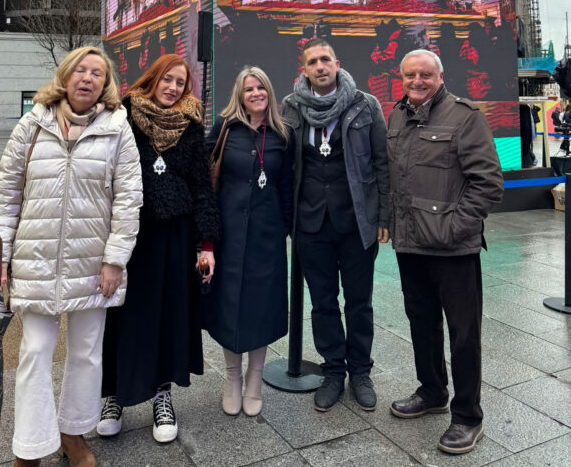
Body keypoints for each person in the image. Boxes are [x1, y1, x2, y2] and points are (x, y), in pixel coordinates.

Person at [0, 46, 142, 467]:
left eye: (98, 73)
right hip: (36, 257)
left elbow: (128, 201)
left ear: (106, 84)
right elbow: (6, 194)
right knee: (35, 351)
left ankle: (74, 435)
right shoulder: (31, 124)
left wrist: (115, 260)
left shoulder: (117, 128)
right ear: (66, 76)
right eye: (81, 71)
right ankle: (31, 447)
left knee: (87, 351)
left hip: (93, 262)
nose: (88, 78)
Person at [97, 55, 220, 444]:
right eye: (167, 79)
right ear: (152, 79)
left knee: (168, 313)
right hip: (131, 234)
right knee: (121, 314)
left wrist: (206, 244)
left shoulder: (191, 125)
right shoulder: (124, 117)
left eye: (180, 83)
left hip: (174, 236)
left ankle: (162, 396)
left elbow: (202, 186)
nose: (172, 88)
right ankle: (113, 395)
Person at [387, 49, 503, 456]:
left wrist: (455, 227)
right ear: (401, 79)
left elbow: (488, 182)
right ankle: (432, 391)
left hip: (453, 249)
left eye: (425, 75)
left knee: (464, 333)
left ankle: (468, 416)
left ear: (440, 76)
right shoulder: (397, 115)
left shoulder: (465, 116)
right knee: (421, 322)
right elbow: (395, 179)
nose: (417, 81)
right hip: (410, 245)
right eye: (410, 75)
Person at [281, 38, 389, 412]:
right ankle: (333, 372)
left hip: (357, 222)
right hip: (311, 224)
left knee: (360, 302)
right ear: (304, 69)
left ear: (337, 63)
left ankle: (360, 372)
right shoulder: (291, 108)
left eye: (325, 59)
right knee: (323, 303)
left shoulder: (365, 105)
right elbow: (286, 168)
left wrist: (384, 217)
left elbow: (382, 164)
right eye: (313, 61)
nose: (320, 66)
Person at [204, 67, 294, 417]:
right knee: (229, 306)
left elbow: (287, 186)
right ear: (239, 96)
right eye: (248, 89)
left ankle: (254, 378)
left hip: (267, 237)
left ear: (269, 92)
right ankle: (232, 379)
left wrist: (284, 227)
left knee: (261, 306)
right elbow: (207, 180)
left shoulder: (283, 135)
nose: (255, 93)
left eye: (261, 87)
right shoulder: (225, 129)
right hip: (228, 234)